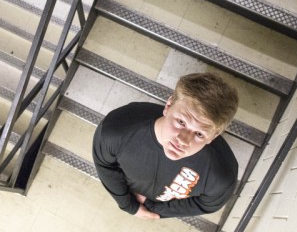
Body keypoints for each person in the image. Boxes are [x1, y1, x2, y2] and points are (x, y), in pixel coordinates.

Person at [92, 72, 239, 219]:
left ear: (213, 136)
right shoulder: (116, 131)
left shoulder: (221, 175)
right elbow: (104, 165)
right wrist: (128, 204)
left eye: (199, 134)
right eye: (181, 122)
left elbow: (208, 204)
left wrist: (153, 207)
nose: (183, 140)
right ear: (168, 106)